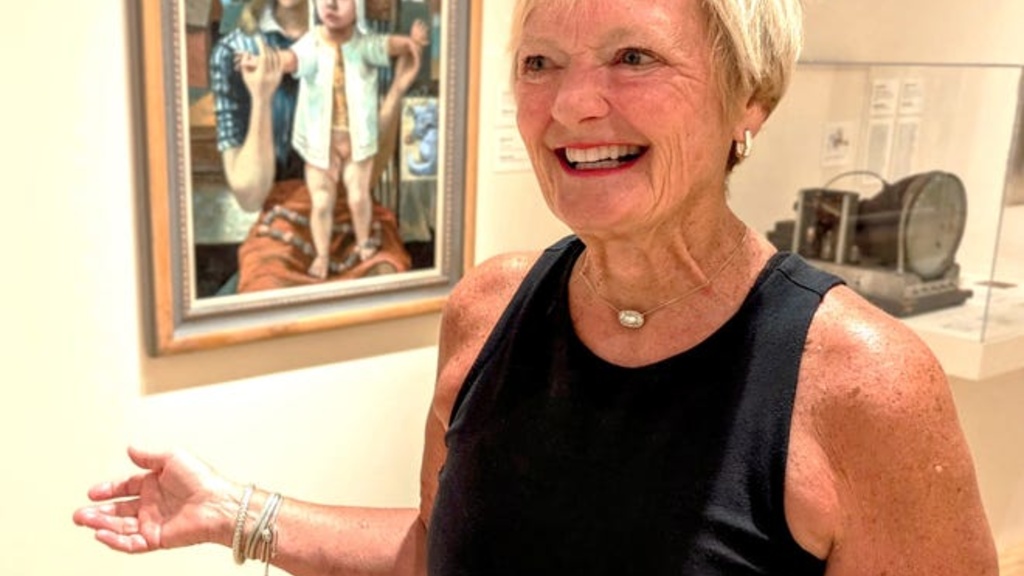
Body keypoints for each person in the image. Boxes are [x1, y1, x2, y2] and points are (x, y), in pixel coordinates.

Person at [73, 0, 999, 574]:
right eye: (539, 63)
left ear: (748, 94)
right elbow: (442, 549)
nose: (572, 106)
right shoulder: (486, 311)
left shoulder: (861, 383)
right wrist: (238, 513)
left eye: (633, 56)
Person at [208, 0, 417, 291]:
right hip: (283, 226)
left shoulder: (364, 39)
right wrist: (262, 99)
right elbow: (250, 195)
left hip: (354, 216)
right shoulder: (238, 50)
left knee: (383, 289)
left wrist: (395, 91)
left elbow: (370, 170)